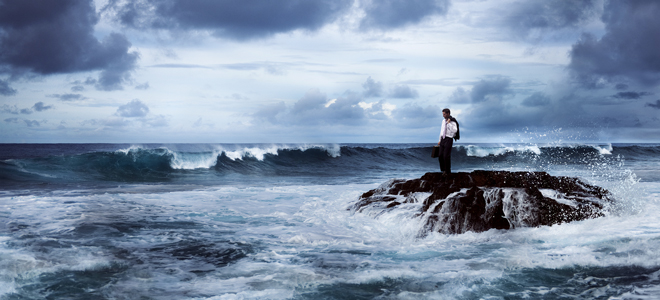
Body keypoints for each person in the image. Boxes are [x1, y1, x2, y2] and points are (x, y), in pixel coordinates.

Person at [437, 108, 459, 174]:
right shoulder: (443, 121)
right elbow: (442, 131)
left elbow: (455, 130)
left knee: (446, 156)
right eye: (443, 114)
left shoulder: (453, 121)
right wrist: (439, 140)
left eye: (444, 114)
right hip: (443, 139)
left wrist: (449, 123)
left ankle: (447, 171)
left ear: (448, 114)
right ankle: (443, 170)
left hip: (449, 139)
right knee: (440, 155)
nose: (443, 115)